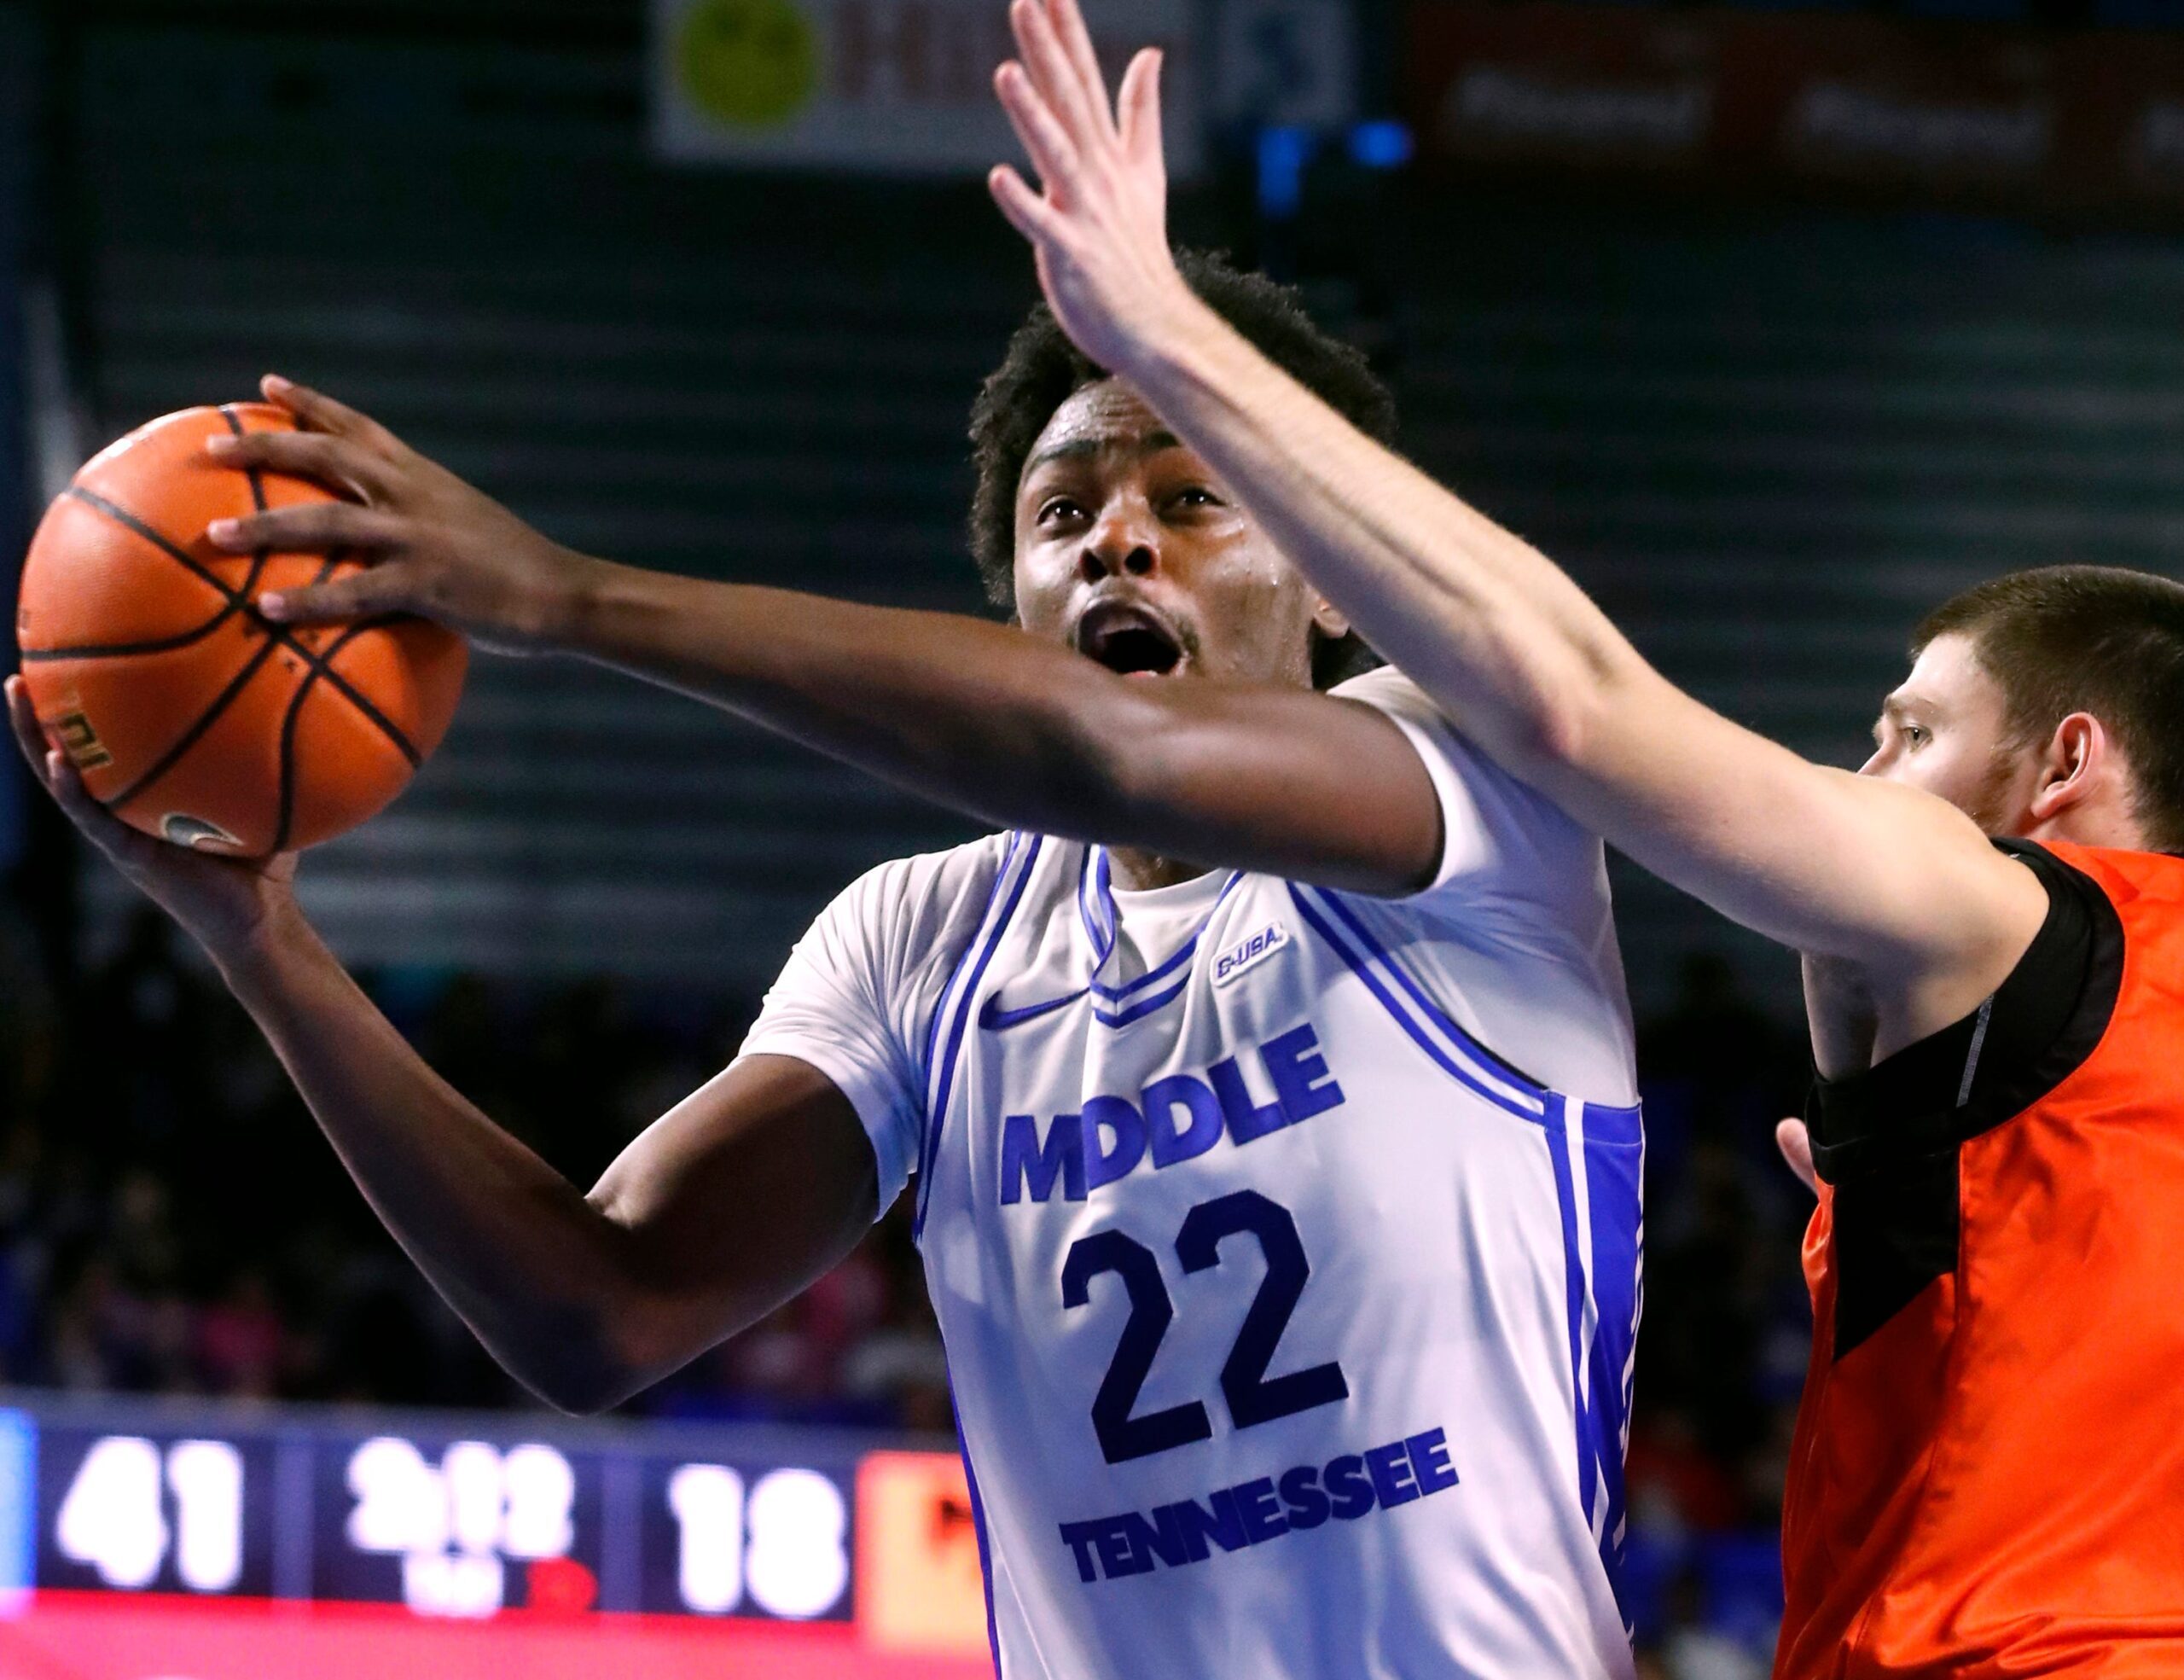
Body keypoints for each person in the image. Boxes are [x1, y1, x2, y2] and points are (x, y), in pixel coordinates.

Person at [10, 176, 1645, 1680]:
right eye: (1061, 514)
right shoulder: (929, 942)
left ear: (1338, 578)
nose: (1119, 540)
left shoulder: (1471, 781)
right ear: (1012, 593)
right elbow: (596, 1311)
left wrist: (561, 596)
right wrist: (261, 944)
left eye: (1193, 495)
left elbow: (1112, 748)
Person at [967, 2, 2184, 1671]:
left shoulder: (2016, 914)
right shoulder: (2052, 1107)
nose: (1862, 774)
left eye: (1904, 737)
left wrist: (1164, 336)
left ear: (2058, 770)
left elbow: (1566, 703)